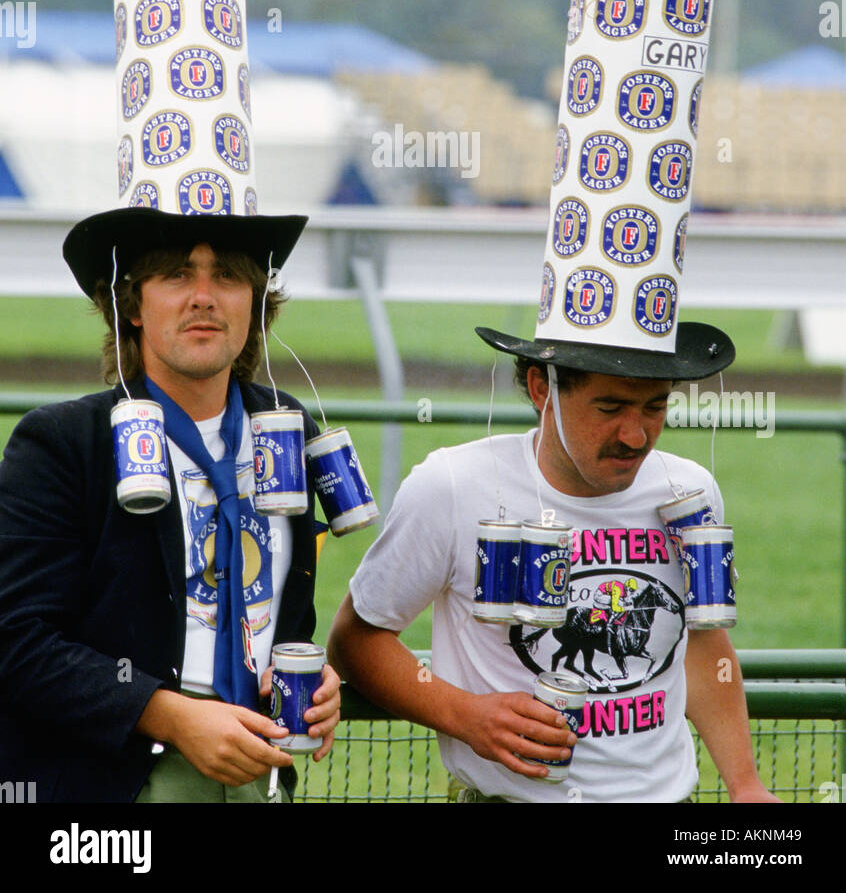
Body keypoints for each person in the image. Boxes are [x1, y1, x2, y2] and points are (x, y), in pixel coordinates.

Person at [329, 324, 780, 804]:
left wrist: (745, 784)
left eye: (656, 406)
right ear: (542, 388)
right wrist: (466, 715)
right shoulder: (452, 486)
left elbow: (703, 644)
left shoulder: (689, 492)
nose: (636, 435)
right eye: (610, 408)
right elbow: (356, 639)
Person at [0, 207, 340, 804]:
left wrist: (313, 679)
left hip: (260, 779)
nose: (204, 297)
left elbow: (278, 610)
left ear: (256, 303)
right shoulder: (64, 443)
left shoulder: (285, 428)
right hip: (119, 785)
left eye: (228, 276)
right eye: (178, 275)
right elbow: (17, 640)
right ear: (132, 306)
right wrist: (170, 715)